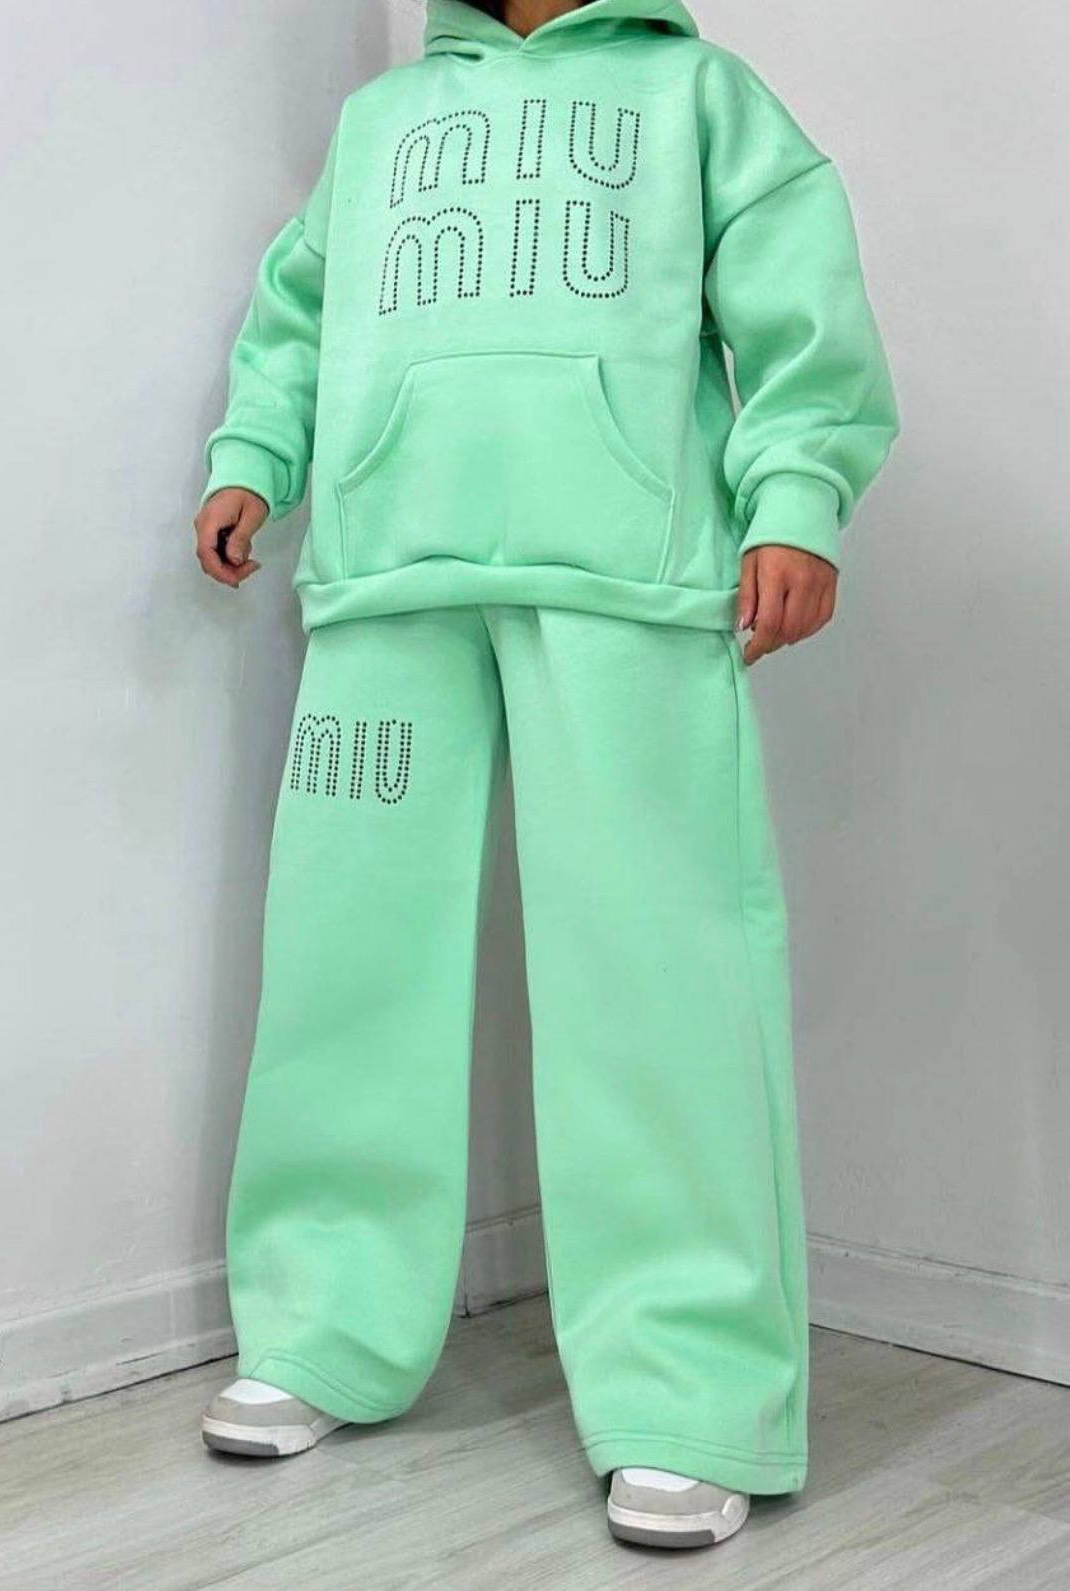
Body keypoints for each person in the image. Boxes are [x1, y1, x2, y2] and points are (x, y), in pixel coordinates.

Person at [194, 0, 897, 1551]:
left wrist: (795, 497)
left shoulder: (700, 95)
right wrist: (256, 455)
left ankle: (690, 1389)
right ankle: (321, 1320)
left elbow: (802, 315)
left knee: (659, 973)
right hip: (385, 584)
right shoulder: (383, 122)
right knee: (344, 966)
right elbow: (302, 307)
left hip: (634, 585)